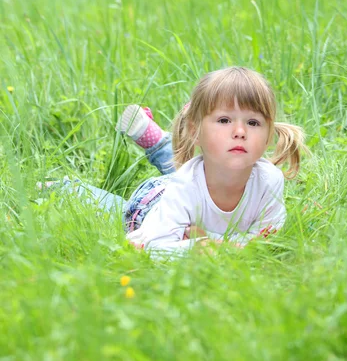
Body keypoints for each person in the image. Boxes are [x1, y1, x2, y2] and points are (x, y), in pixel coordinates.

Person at [39, 67, 306, 254]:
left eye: (253, 122)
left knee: (214, 157)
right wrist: (198, 249)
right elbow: (154, 246)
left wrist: (212, 242)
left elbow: (266, 240)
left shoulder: (269, 179)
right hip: (153, 203)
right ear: (195, 129)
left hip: (196, 183)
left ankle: (154, 138)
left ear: (269, 133)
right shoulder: (184, 186)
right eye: (224, 120)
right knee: (123, 205)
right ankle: (69, 188)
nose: (240, 131)